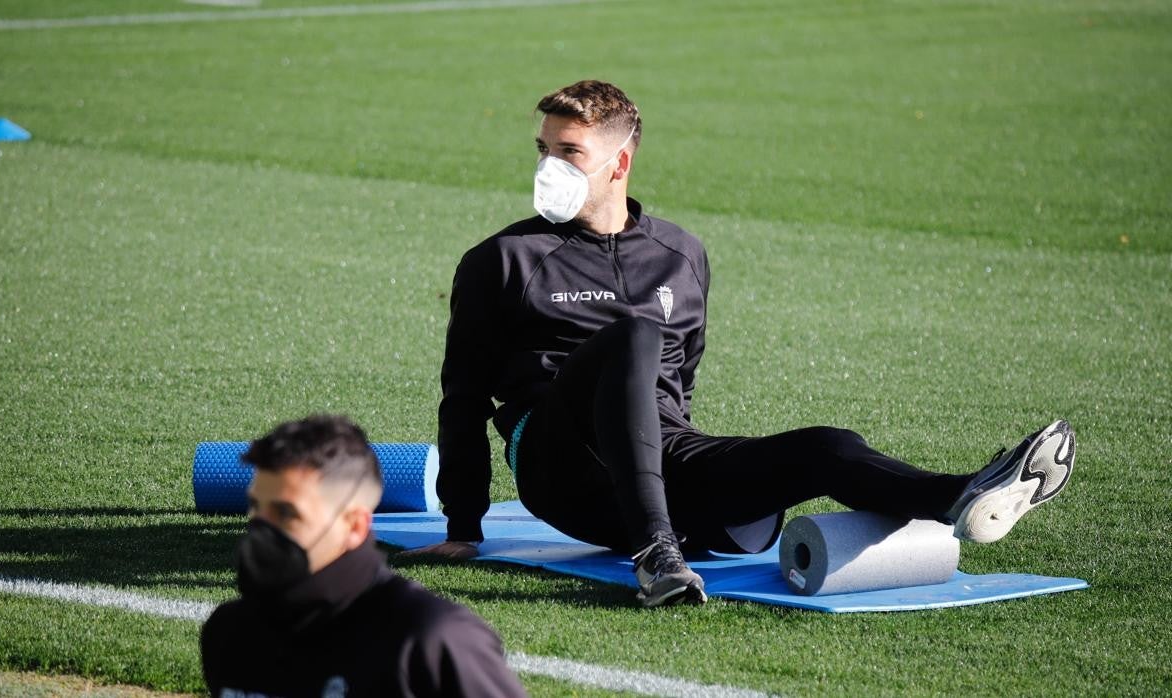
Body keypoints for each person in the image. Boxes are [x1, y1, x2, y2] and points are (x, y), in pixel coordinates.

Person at [407, 80, 1076, 608]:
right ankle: (656, 554)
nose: (550, 166)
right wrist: (463, 526)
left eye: (570, 152)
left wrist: (687, 467)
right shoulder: (502, 260)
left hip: (656, 456)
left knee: (826, 445)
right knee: (634, 335)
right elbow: (463, 398)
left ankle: (958, 497)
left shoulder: (681, 254)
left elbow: (678, 388)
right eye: (544, 150)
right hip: (559, 469)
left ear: (621, 162)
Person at [200, 414, 527, 697]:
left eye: (286, 514)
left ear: (355, 525)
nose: (261, 528)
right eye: (256, 507)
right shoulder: (232, 635)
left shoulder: (429, 639)